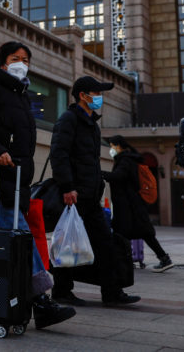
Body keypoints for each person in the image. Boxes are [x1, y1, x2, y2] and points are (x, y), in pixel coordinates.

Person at [0, 41, 76, 329]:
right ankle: (39, 300)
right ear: (2, 63)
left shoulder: (21, 94)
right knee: (20, 237)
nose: (21, 63)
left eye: (26, 59)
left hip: (16, 179)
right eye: (15, 58)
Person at [49, 76, 142, 307]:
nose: (100, 98)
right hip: (75, 195)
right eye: (97, 93)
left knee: (105, 243)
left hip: (90, 196)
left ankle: (112, 293)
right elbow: (58, 154)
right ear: (83, 95)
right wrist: (67, 187)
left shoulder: (91, 124)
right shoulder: (69, 120)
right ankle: (61, 291)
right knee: (68, 243)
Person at [105, 135, 173, 273]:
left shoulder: (125, 160)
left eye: (112, 146)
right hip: (132, 205)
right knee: (136, 233)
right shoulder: (129, 159)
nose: (111, 149)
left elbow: (119, 176)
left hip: (129, 206)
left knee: (123, 233)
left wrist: (100, 174)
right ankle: (162, 258)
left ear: (118, 146)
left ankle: (122, 261)